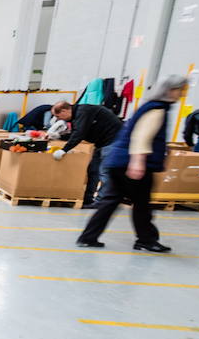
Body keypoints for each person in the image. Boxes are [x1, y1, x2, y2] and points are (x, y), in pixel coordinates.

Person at [77, 75, 188, 252]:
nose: (181, 94)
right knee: (142, 204)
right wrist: (138, 162)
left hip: (118, 161)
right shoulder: (157, 109)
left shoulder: (147, 106)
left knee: (110, 201)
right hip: (132, 163)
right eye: (180, 90)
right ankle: (146, 240)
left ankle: (88, 237)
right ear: (170, 90)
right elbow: (141, 137)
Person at [50, 100, 122, 206]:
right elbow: (77, 132)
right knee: (93, 170)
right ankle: (88, 200)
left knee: (104, 172)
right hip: (101, 143)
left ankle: (102, 202)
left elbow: (79, 133)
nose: (59, 119)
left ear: (64, 111)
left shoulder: (83, 111)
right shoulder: (77, 115)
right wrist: (59, 136)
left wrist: (64, 150)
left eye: (58, 116)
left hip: (112, 142)